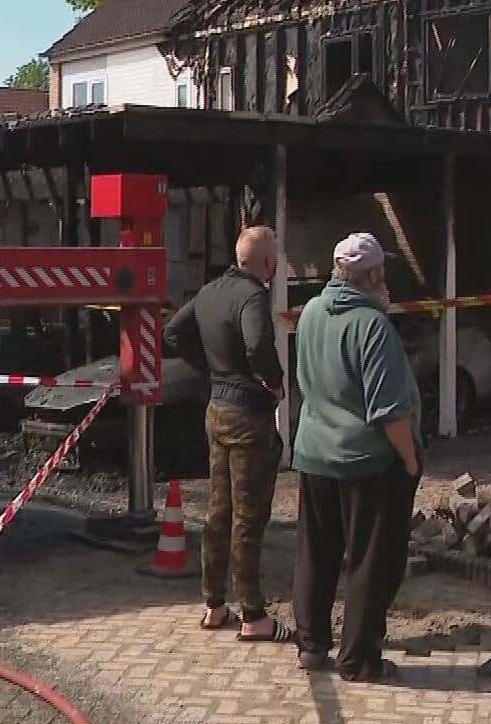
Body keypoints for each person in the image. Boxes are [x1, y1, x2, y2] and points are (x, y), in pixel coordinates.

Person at [290, 233, 423, 682]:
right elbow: (389, 411)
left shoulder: (308, 313)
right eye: (381, 271)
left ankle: (311, 646)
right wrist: (409, 460)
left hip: (313, 454)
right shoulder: (372, 326)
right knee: (371, 560)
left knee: (316, 552)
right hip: (365, 462)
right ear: (372, 275)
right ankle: (359, 658)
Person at [162, 226, 293, 641]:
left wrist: (212, 371)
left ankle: (213, 605)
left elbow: (172, 333)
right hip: (248, 416)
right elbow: (257, 345)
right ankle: (253, 615)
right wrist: (274, 382)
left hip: (216, 410)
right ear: (268, 263)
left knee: (218, 512)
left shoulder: (210, 291)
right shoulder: (254, 296)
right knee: (248, 517)